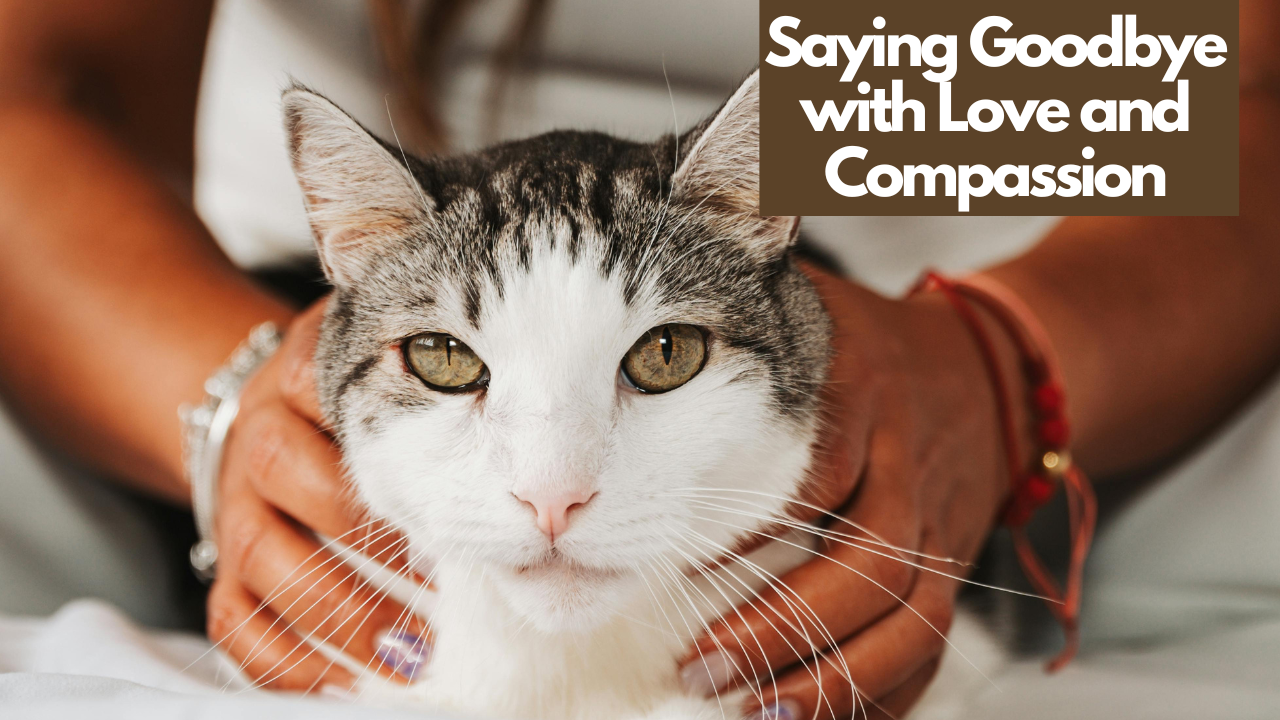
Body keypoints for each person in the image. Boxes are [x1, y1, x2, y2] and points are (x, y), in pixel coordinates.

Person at [0, 1, 1276, 718]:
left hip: (1073, 298)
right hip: (293, 281)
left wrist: (1004, 363)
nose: (550, 493)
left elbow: (1243, 94)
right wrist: (226, 412)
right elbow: (37, 85)